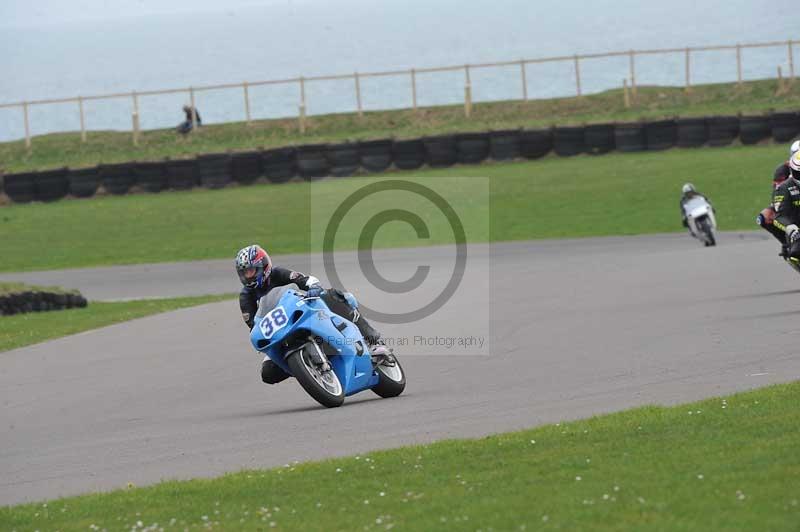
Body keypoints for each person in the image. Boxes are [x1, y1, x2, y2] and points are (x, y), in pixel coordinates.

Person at [235, 244, 391, 385]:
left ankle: (374, 341)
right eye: (244, 273)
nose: (248, 276)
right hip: (279, 332)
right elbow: (254, 324)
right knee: (267, 373)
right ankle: (305, 367)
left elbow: (304, 279)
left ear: (263, 266)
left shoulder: (277, 273)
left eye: (251, 271)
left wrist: (313, 286)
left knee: (331, 295)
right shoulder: (245, 296)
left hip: (301, 312)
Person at [757, 140, 800, 247]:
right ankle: (788, 243)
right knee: (764, 217)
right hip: (786, 199)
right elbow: (778, 192)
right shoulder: (782, 170)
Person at [771, 151, 800, 260]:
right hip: (798, 231)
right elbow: (779, 217)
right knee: (796, 252)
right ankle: (787, 246)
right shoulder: (784, 188)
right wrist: (792, 229)